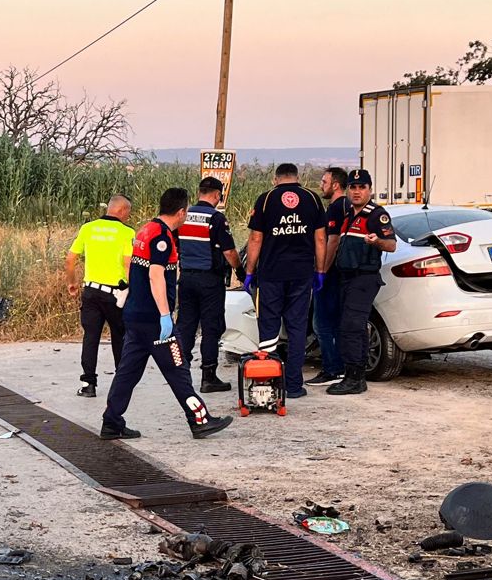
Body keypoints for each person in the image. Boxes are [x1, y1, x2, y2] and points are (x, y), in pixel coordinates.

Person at [100, 187, 234, 442]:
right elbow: (155, 274)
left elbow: (135, 269)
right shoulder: (162, 236)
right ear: (181, 212)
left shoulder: (145, 229)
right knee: (178, 369)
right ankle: (200, 419)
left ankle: (112, 422)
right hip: (153, 320)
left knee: (127, 373)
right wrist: (164, 315)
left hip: (135, 317)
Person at [242, 161, 325, 399]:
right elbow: (320, 239)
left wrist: (249, 272)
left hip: (271, 274)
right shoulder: (312, 198)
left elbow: (256, 239)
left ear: (275, 179)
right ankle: (294, 385)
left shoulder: (266, 199)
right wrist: (319, 271)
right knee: (297, 327)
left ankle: (267, 383)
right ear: (297, 177)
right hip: (301, 274)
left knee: (269, 326)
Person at [320, 169, 396, 396]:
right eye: (353, 187)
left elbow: (391, 245)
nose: (356, 191)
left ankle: (354, 378)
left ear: (369, 190)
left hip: (363, 278)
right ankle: (356, 375)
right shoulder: (348, 216)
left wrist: (377, 241)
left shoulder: (376, 215)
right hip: (347, 279)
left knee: (351, 328)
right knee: (354, 328)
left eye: (361, 187)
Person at [172, 176, 242, 392]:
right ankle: (208, 377)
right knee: (212, 328)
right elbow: (229, 252)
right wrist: (240, 270)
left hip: (186, 279)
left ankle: (178, 373)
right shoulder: (216, 218)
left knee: (185, 326)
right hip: (210, 280)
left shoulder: (183, 215)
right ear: (217, 195)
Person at [66, 195, 134, 398]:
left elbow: (70, 259)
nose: (128, 217)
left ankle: (88, 384)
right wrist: (132, 289)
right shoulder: (127, 232)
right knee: (119, 336)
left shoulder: (88, 228)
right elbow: (128, 264)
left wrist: (71, 282)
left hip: (91, 292)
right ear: (122, 211)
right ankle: (121, 382)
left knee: (91, 337)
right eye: (128, 213)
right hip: (116, 294)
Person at [309, 165, 350, 382]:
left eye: (324, 182)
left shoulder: (336, 208)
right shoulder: (349, 205)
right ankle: (340, 365)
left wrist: (321, 270)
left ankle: (332, 368)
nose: (320, 186)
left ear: (335, 185)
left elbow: (332, 240)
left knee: (321, 323)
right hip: (341, 274)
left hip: (331, 274)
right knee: (333, 322)